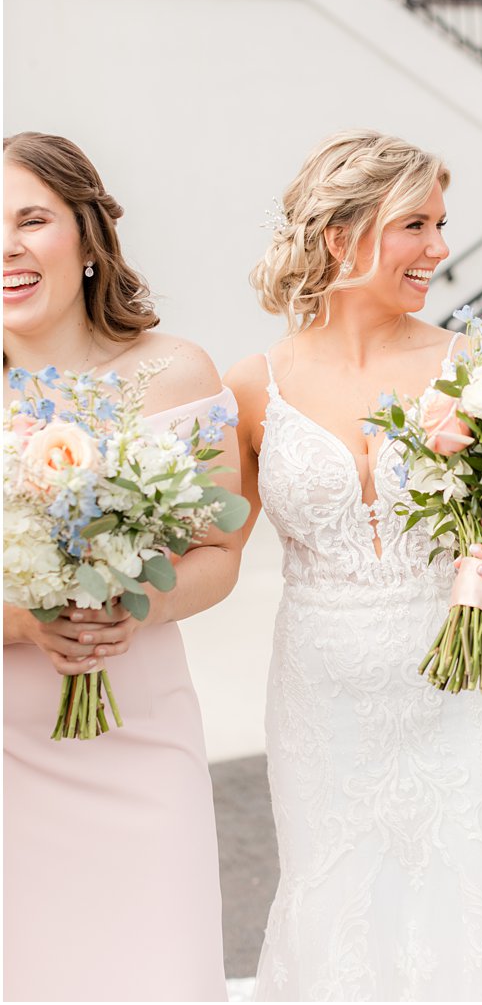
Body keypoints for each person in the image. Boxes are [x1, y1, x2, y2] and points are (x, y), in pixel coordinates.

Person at [225, 129, 482, 1000]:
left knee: (480, 890)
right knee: (337, 901)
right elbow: (209, 555)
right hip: (323, 695)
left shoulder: (477, 371)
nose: (440, 249)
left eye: (441, 224)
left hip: (467, 687)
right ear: (342, 234)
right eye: (415, 225)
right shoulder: (251, 385)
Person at [3, 132, 237, 1000]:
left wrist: (138, 609)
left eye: (32, 219)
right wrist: (24, 619)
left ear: (87, 233)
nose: (9, 247)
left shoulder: (178, 374)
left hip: (140, 739)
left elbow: (217, 553)